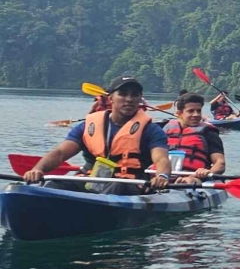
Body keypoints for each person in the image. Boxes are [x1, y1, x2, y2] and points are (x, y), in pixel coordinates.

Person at [23, 76, 171, 191]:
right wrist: (38, 169)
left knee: (117, 187)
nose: (129, 99)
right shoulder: (89, 125)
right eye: (123, 94)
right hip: (90, 179)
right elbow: (61, 152)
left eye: (134, 95)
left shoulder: (151, 130)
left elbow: (161, 159)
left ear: (140, 99)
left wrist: (162, 175)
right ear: (110, 98)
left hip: (129, 184)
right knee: (55, 184)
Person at [163, 93, 226, 183]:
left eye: (198, 111)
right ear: (179, 113)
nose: (196, 115)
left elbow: (220, 164)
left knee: (189, 181)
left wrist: (208, 172)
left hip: (195, 178)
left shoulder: (209, 133)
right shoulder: (166, 130)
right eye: (191, 111)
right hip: (165, 176)